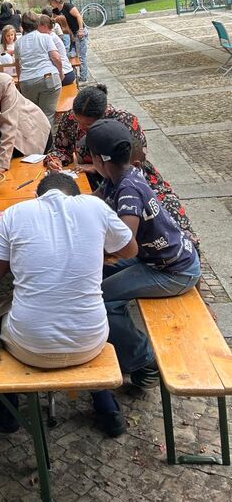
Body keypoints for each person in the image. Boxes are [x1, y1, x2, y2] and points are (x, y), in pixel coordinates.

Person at [0, 172, 137, 436]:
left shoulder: (16, 213)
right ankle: (105, 403)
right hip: (90, 341)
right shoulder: (94, 206)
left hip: (30, 347)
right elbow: (130, 250)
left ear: (37, 197)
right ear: (76, 197)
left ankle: (7, 407)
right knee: (84, 311)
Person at [86, 120, 201, 389]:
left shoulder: (128, 191)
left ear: (99, 160)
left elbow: (126, 244)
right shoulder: (120, 176)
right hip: (157, 258)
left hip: (173, 271)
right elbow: (93, 200)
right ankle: (114, 335)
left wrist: (90, 246)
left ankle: (144, 361)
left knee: (101, 299)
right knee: (95, 273)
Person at [44, 85, 199, 247]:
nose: (81, 127)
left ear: (103, 115)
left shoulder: (124, 121)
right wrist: (55, 160)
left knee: (163, 212)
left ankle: (185, 249)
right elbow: (61, 149)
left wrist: (95, 167)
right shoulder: (70, 119)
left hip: (128, 174)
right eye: (78, 121)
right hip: (92, 180)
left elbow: (136, 158)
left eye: (88, 125)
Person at [14, 11, 63, 125]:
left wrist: (21, 82)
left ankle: (36, 135)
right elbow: (56, 57)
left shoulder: (18, 43)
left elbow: (18, 65)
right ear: (37, 23)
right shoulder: (45, 37)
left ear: (22, 25)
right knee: (48, 114)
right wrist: (60, 72)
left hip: (27, 81)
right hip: (48, 77)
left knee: (33, 115)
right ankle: (48, 136)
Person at [46, 0, 89, 83]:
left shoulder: (68, 6)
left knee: (81, 56)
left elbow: (78, 16)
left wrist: (80, 30)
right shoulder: (55, 11)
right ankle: (78, 75)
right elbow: (52, 21)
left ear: (55, 0)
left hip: (79, 32)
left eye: (51, 1)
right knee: (73, 55)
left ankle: (84, 77)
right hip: (72, 34)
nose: (50, 4)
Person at [38, 14, 75, 85]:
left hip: (64, 74)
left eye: (37, 26)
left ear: (45, 26)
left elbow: (56, 58)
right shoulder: (51, 36)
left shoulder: (50, 38)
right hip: (66, 72)